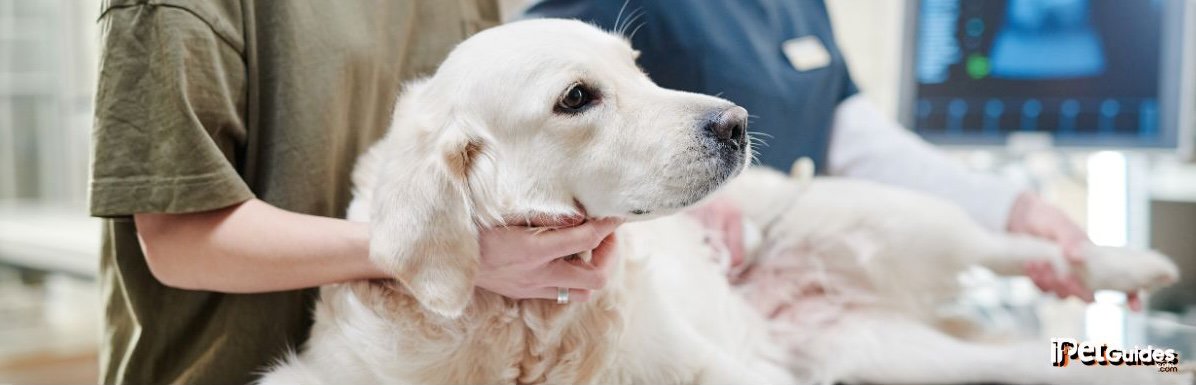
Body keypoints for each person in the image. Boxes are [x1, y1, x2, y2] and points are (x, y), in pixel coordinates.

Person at [88, 1, 618, 383]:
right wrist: (436, 250)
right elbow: (180, 242)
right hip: (225, 369)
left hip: (420, 363)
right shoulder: (164, 10)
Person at [524, 0, 1127, 306]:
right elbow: (533, 117)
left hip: (809, 293)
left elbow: (856, 137)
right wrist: (673, 211)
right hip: (692, 303)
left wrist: (1013, 207)